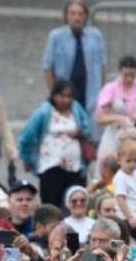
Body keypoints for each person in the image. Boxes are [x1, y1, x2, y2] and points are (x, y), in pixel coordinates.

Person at [18, 80, 91, 208]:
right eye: (62, 96)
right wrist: (26, 158)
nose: (66, 100)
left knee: (75, 203)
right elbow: (27, 136)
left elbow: (88, 129)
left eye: (69, 96)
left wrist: (81, 132)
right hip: (51, 166)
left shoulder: (76, 109)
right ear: (54, 95)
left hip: (75, 167)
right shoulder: (44, 112)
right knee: (52, 205)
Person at [42, 0, 105, 114]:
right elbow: (47, 67)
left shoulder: (96, 36)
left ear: (85, 17)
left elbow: (102, 65)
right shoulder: (56, 37)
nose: (77, 18)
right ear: (66, 16)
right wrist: (55, 93)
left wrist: (102, 91)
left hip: (89, 91)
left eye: (80, 14)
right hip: (66, 89)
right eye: (73, 13)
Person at [95, 56, 136, 160]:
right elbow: (100, 118)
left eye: (132, 75)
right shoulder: (110, 88)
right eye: (126, 75)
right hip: (114, 134)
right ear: (120, 71)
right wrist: (119, 119)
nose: (129, 79)